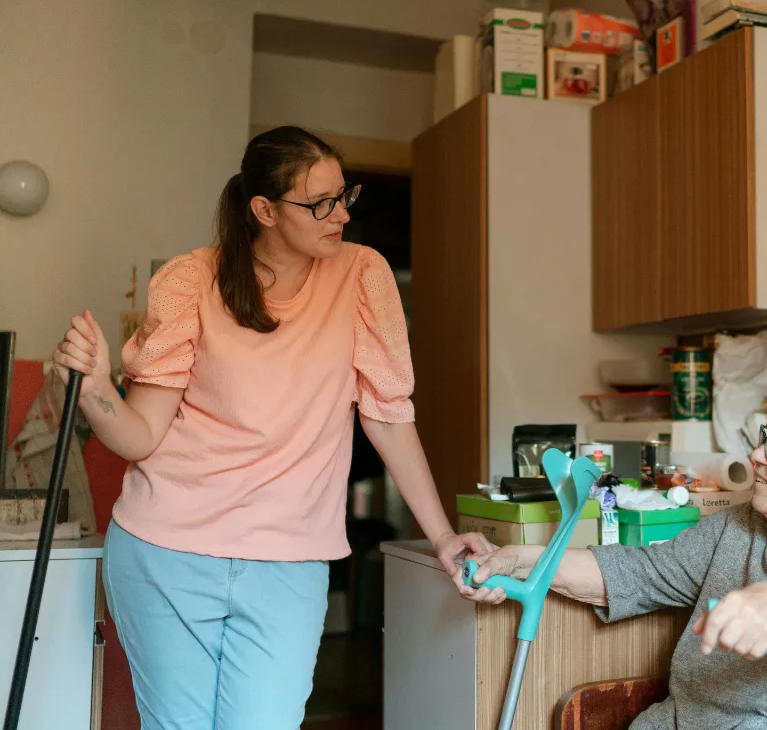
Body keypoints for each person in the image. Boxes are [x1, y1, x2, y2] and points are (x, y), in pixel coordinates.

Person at [52, 126, 492, 730]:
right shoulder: (190, 281)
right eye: (319, 204)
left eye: (345, 196)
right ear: (263, 209)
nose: (340, 215)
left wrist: (442, 536)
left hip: (289, 561)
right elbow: (140, 437)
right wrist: (98, 388)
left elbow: (389, 419)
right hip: (167, 552)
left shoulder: (363, 275)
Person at [462, 385, 767, 730]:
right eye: (761, 437)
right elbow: (637, 573)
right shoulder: (737, 528)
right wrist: (523, 559)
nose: (754, 455)